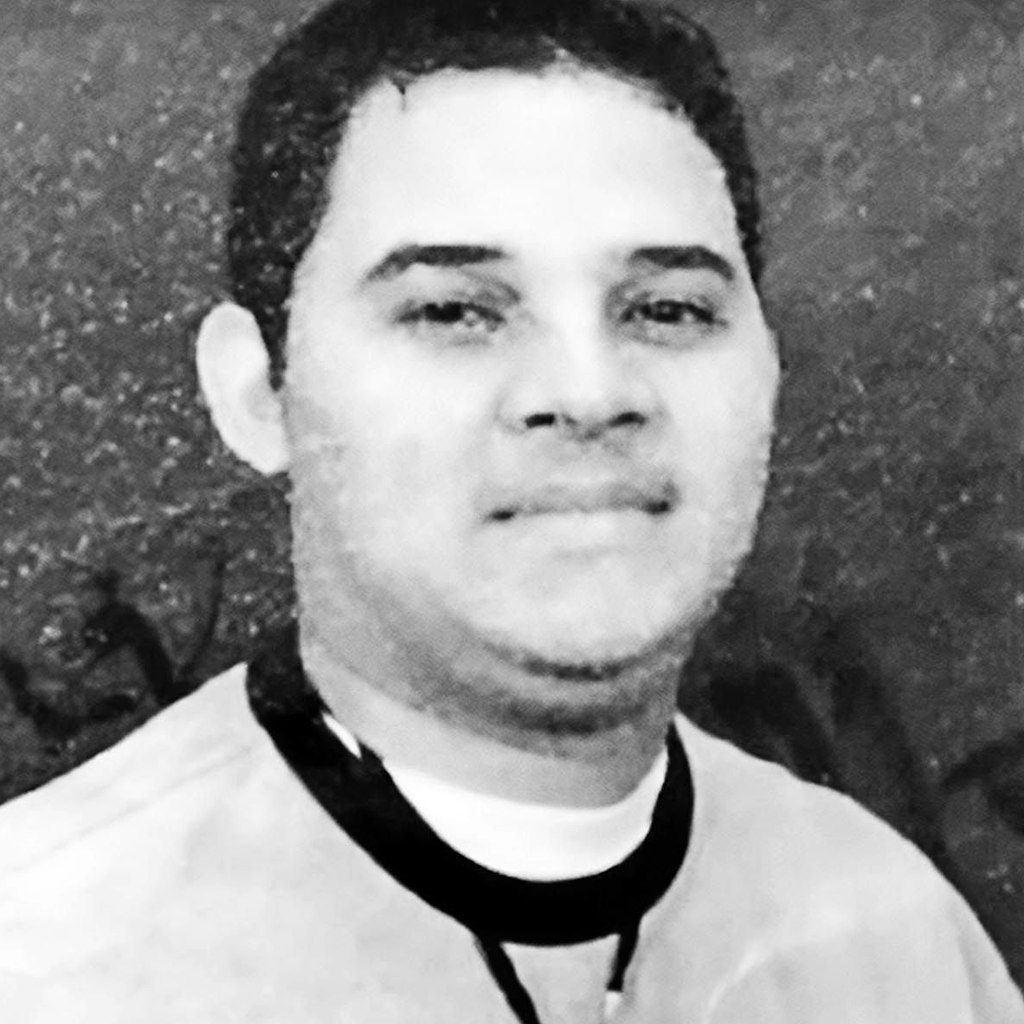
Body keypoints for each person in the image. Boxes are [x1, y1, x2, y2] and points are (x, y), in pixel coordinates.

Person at [1, 0, 1020, 1020]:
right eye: (452, 310)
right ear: (259, 390)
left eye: (667, 308)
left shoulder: (897, 938)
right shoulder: (47, 960)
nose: (588, 392)